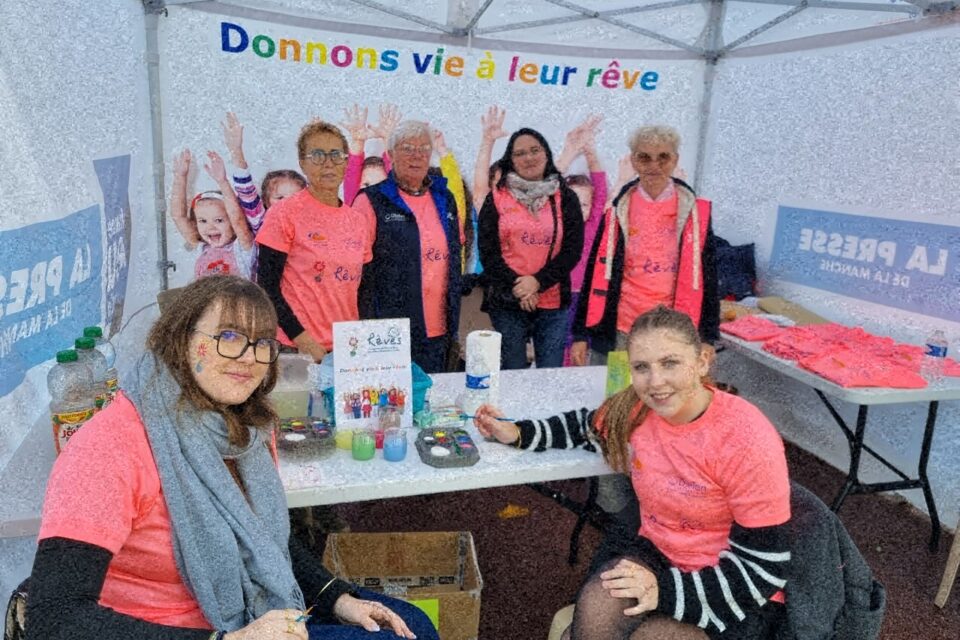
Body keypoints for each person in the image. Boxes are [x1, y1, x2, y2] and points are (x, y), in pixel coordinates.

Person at [26, 275, 437, 640]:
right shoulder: (109, 446)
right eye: (228, 336)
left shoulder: (245, 427)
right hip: (179, 629)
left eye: (262, 344)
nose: (248, 357)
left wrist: (336, 599)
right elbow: (55, 618)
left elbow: (261, 539)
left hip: (255, 615)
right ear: (181, 337)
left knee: (412, 624)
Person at [474, 305, 791, 639]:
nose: (656, 382)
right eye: (642, 367)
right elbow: (584, 427)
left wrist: (663, 591)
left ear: (702, 362)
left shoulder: (746, 436)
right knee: (596, 612)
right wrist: (518, 433)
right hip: (658, 551)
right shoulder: (638, 410)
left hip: (730, 583)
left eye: (670, 363)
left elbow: (764, 568)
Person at [570, 125, 719, 368]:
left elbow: (709, 275)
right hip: (621, 328)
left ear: (675, 160)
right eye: (645, 157)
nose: (654, 166)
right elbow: (595, 272)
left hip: (673, 330)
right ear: (633, 161)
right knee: (617, 396)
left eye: (663, 157)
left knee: (663, 397)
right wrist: (580, 334)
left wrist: (708, 336)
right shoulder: (618, 209)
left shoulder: (694, 212)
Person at [256, 119, 373, 362]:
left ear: (346, 162)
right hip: (295, 349)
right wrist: (305, 341)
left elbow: (364, 292)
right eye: (317, 155)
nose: (328, 163)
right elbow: (266, 287)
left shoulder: (358, 220)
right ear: (302, 163)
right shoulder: (284, 213)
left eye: (336, 154)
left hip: (346, 349)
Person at [354, 120, 462, 374]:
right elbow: (358, 272)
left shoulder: (445, 198)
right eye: (407, 148)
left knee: (431, 401)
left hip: (440, 327)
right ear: (390, 155)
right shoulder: (371, 200)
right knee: (390, 403)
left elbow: (454, 258)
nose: (416, 155)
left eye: (424, 148)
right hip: (388, 332)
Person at [477, 127, 584, 369]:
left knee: (549, 375)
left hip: (553, 304)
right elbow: (488, 252)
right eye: (520, 153)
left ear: (546, 154)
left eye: (535, 150)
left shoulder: (566, 198)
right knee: (511, 375)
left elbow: (572, 250)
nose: (529, 158)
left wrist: (537, 283)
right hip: (507, 301)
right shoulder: (496, 198)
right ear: (510, 160)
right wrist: (521, 287)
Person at [169, 149, 256, 281]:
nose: (210, 227)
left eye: (219, 220)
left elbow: (237, 219)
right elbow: (178, 216)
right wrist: (180, 177)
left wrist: (222, 182)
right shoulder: (201, 247)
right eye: (203, 221)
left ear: (232, 222)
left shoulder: (242, 248)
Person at [221, 111, 306, 234]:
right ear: (266, 201)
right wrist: (236, 150)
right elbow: (246, 192)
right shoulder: (262, 222)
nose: (287, 203)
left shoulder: (309, 224)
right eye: (279, 197)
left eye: (294, 198)